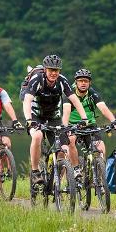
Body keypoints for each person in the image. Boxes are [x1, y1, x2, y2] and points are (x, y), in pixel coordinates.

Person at [22, 54, 89, 185]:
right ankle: (35, 171)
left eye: (56, 70)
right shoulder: (37, 79)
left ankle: (56, 182)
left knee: (63, 148)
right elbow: (27, 100)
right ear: (45, 69)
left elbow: (74, 99)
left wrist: (84, 118)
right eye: (51, 70)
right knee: (37, 136)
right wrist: (29, 119)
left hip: (54, 117)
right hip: (36, 116)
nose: (54, 73)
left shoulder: (62, 81)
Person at [62, 68, 116, 178]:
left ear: (90, 83)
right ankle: (76, 169)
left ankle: (100, 177)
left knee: (101, 148)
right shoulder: (69, 94)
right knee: (71, 140)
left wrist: (114, 121)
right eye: (80, 81)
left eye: (86, 81)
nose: (83, 83)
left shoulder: (92, 93)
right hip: (73, 125)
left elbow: (103, 108)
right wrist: (66, 127)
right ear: (76, 82)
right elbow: (66, 112)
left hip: (90, 125)